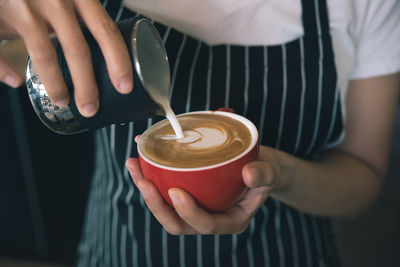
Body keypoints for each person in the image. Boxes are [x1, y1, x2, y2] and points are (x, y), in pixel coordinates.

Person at [2, 0, 400, 266]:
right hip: (119, 248)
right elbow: (18, 58)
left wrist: (280, 172)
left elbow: (361, 175)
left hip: (289, 250)